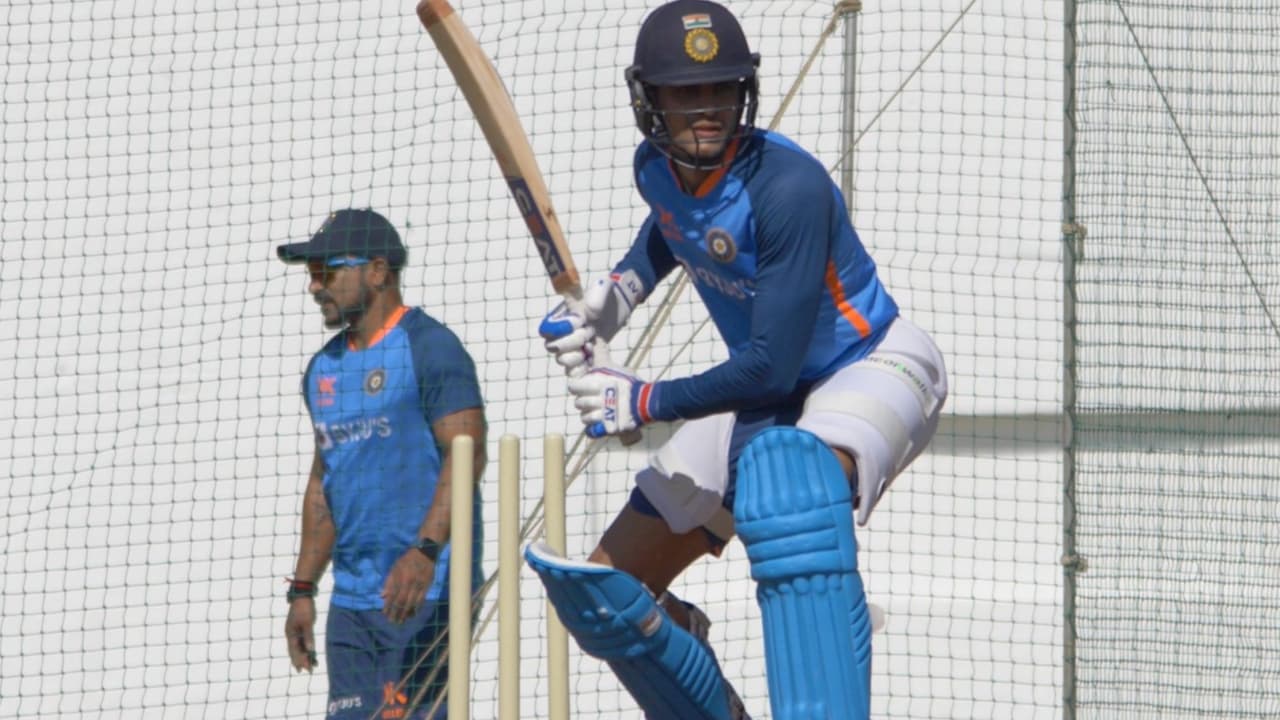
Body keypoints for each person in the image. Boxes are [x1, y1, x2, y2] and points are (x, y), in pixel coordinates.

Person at [524, 2, 949, 719]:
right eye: (685, 93)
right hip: (771, 394)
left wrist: (644, 401)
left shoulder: (788, 188)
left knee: (792, 486)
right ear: (651, 101)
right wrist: (618, 294)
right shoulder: (656, 168)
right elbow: (674, 224)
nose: (707, 109)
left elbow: (771, 368)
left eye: (720, 88)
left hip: (868, 364)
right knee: (609, 599)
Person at [278, 208, 486, 720]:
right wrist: (303, 589)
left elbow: (467, 455)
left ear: (377, 271)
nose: (314, 287)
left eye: (326, 271)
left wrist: (424, 552)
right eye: (311, 273)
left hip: (423, 592)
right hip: (352, 605)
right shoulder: (323, 368)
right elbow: (324, 481)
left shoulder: (430, 347)